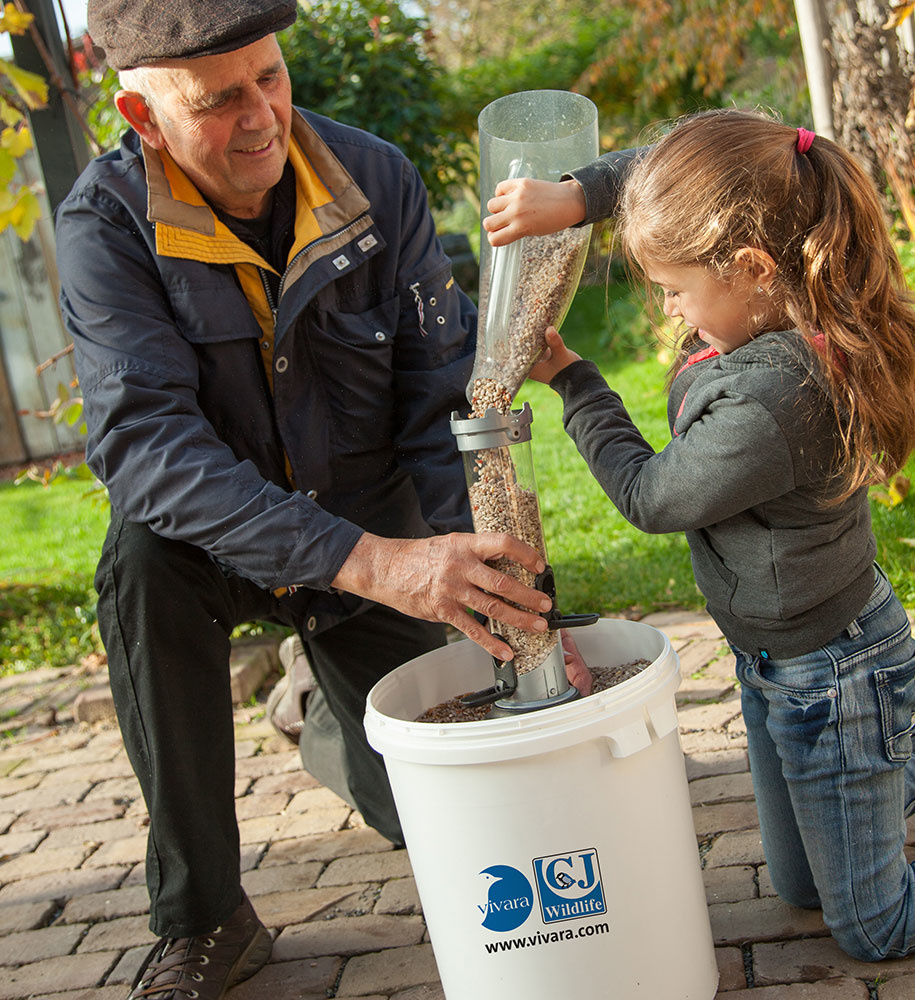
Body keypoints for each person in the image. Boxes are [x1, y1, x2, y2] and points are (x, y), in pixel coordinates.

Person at [55, 3, 609, 996]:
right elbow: (145, 446)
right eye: (218, 99)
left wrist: (518, 608)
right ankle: (204, 914)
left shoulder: (375, 181)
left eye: (268, 76)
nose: (260, 114)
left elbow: (444, 410)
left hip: (376, 534)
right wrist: (367, 560)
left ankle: (315, 707)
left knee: (434, 813)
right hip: (225, 550)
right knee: (137, 562)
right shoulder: (107, 224)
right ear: (142, 117)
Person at [486, 109, 915, 961]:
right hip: (779, 661)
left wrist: (576, 382)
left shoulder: (772, 399)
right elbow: (678, 167)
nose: (669, 307)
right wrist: (576, 199)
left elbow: (652, 496)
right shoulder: (768, 256)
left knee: (872, 923)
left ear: (754, 269)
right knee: (800, 888)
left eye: (678, 290)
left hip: (833, 678)